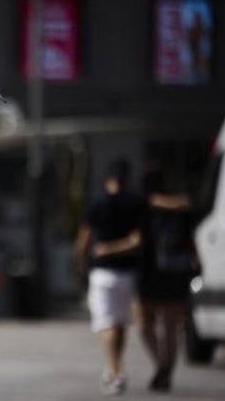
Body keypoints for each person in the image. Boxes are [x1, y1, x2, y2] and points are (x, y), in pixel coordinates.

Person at [74, 159, 148, 396]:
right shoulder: (136, 203)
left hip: (102, 272)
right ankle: (116, 367)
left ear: (107, 179)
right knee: (120, 324)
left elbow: (83, 241)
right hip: (127, 273)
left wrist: (83, 264)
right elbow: (137, 241)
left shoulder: (96, 204)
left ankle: (114, 370)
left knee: (107, 325)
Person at [136, 170, 199, 392]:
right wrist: (198, 265)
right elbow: (192, 241)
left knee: (144, 325)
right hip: (177, 270)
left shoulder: (145, 205)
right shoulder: (182, 207)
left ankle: (161, 367)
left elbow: (137, 239)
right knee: (170, 325)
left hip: (151, 272)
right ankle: (166, 372)